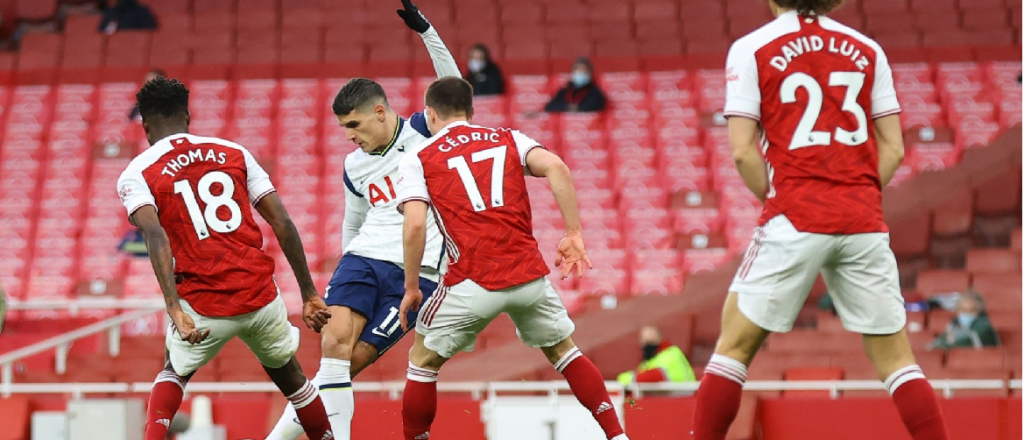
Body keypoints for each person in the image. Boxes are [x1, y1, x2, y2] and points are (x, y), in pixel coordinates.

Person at [692, 1, 950, 439]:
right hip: (863, 221)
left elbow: (742, 150)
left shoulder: (752, 47)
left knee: (733, 347)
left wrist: (781, 199)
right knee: (898, 361)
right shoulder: (867, 48)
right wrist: (858, 194)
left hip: (794, 215)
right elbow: (894, 147)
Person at [395, 77, 629, 440]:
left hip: (471, 279)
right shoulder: (508, 138)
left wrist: (411, 287)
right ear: (471, 112)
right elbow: (557, 167)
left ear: (430, 113)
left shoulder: (419, 158)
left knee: (422, 362)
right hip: (528, 277)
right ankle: (617, 435)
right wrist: (573, 233)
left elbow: (413, 227)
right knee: (565, 352)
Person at [264, 2, 458, 439]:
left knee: (349, 364)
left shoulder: (424, 135)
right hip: (363, 259)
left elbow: (452, 86)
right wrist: (345, 266)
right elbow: (352, 226)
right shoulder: (354, 166)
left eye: (354, 124)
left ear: (380, 112)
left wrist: (427, 31)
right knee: (332, 345)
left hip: (418, 273)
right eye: (343, 128)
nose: (350, 135)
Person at [116, 77, 335, 440]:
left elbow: (155, 236)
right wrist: (310, 293)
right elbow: (282, 221)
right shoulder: (234, 152)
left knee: (173, 374)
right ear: (187, 116)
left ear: (146, 124)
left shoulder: (137, 172)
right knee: (293, 378)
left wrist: (174, 307)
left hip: (205, 305)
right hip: (259, 296)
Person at [616, 326, 695, 386]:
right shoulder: (648, 362)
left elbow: (655, 375)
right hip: (667, 400)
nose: (648, 346)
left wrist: (625, 378)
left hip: (685, 398)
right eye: (645, 342)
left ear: (660, 339)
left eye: (651, 341)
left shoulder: (671, 353)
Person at [928, 292, 999, 350]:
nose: (966, 313)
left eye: (971, 310)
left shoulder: (984, 325)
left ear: (979, 311)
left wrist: (943, 346)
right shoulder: (954, 324)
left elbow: (969, 341)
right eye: (962, 309)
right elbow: (942, 339)